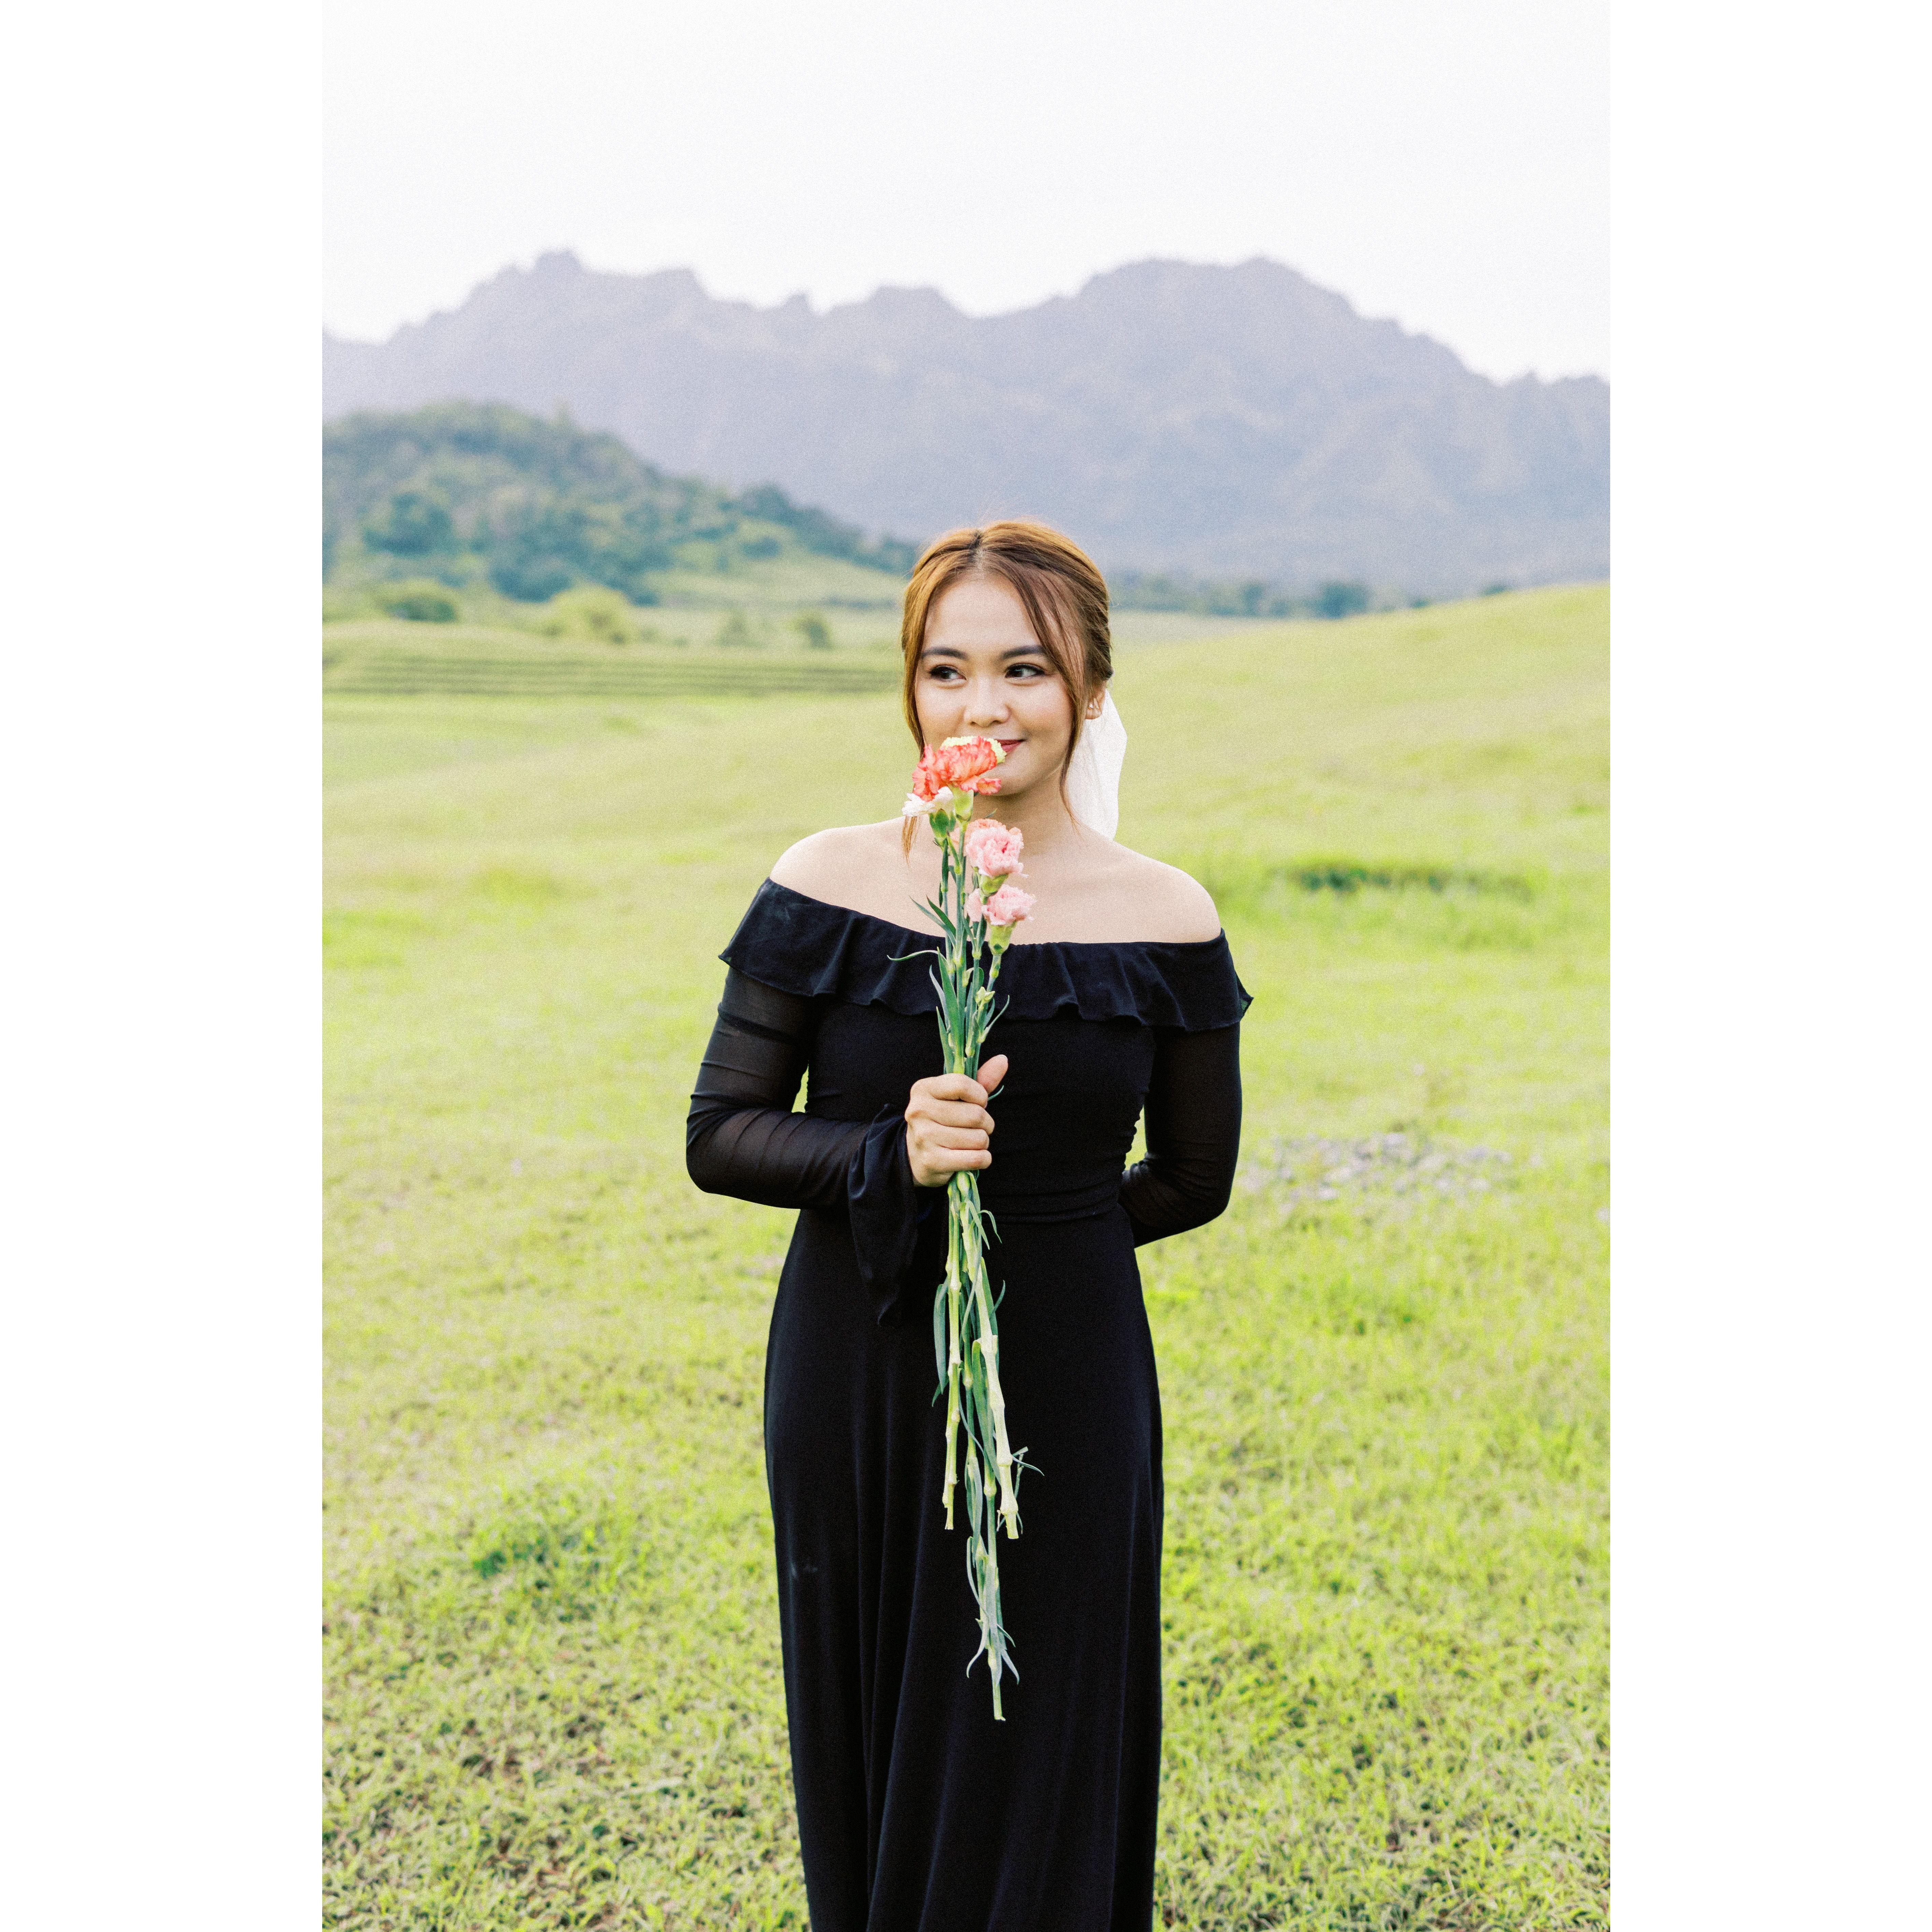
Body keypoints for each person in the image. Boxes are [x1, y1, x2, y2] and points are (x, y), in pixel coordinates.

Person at [686, 520, 1249, 1931]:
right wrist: (890, 1156)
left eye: (1024, 669)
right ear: (911, 689)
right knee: (877, 1714)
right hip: (858, 1364)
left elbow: (1194, 1176)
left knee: (1046, 1725)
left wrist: (1031, 1248)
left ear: (1091, 688)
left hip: (1068, 1378)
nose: (982, 707)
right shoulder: (828, 881)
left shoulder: (1168, 917)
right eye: (946, 670)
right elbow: (721, 1133)